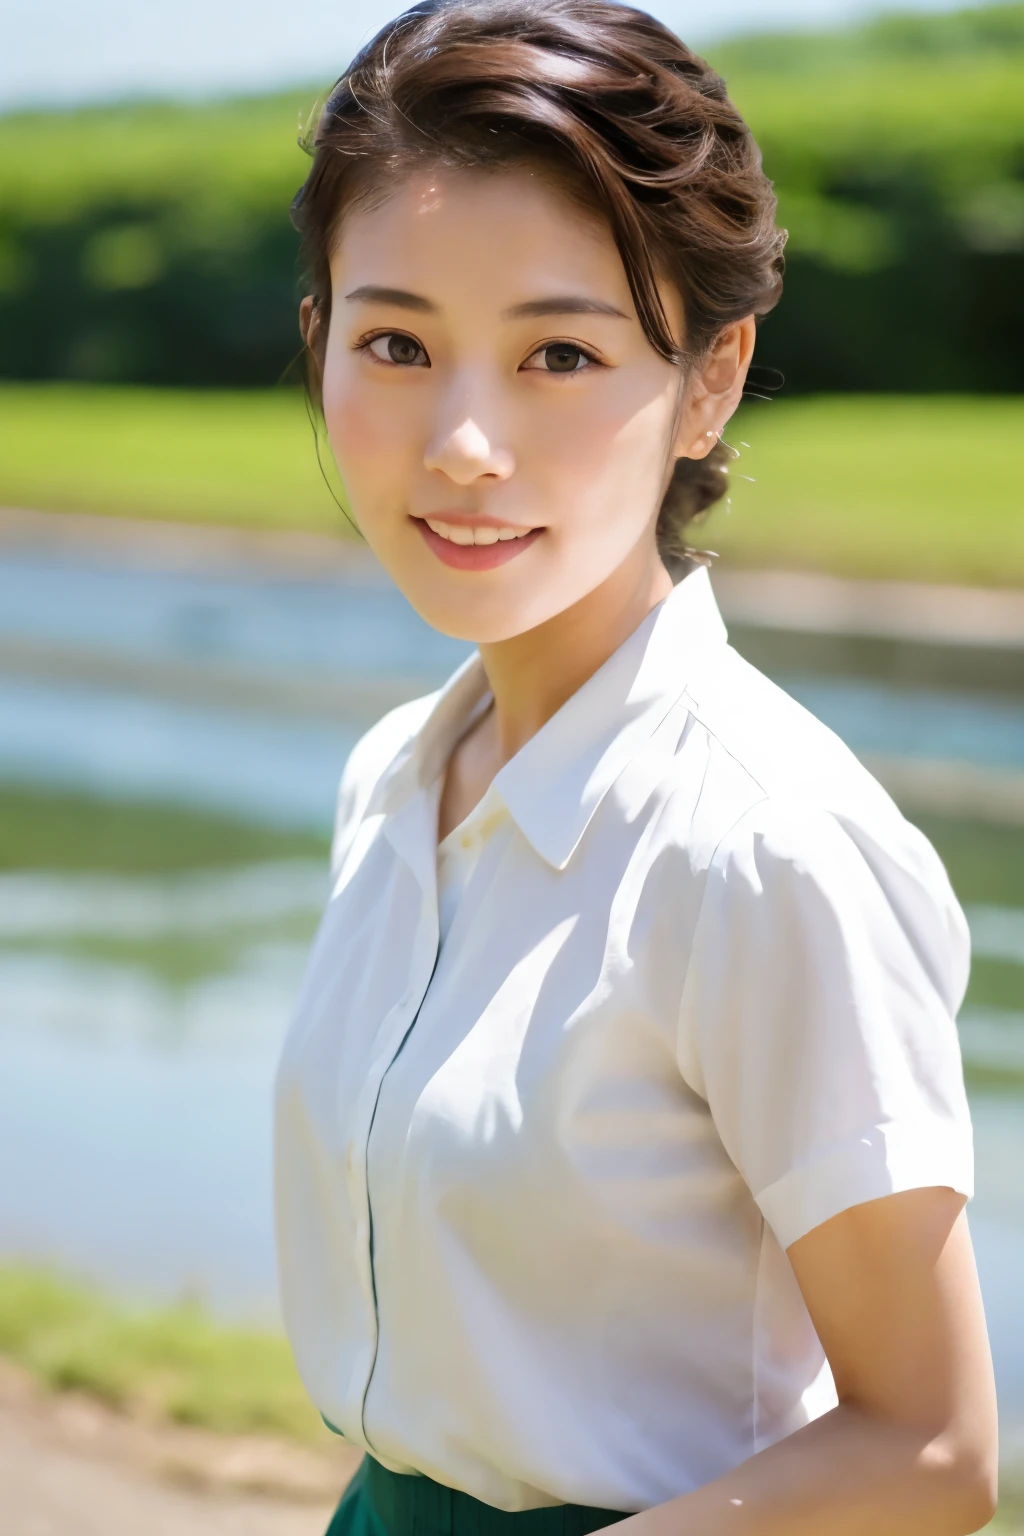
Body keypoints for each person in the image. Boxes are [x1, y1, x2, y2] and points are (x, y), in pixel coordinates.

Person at [273, 3, 998, 1533]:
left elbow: (929, 1454)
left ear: (711, 380)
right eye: (396, 341)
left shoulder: (764, 847)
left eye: (560, 354)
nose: (464, 443)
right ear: (316, 336)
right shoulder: (396, 779)